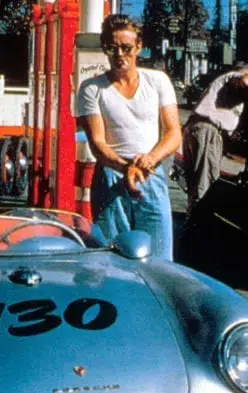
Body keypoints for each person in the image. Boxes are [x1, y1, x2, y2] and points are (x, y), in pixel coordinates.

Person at [76, 14, 182, 261]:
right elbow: (98, 144)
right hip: (111, 177)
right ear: (105, 48)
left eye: (126, 48)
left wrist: (150, 159)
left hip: (150, 174)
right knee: (111, 258)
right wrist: (126, 168)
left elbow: (174, 132)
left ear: (139, 47)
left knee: (160, 258)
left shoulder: (158, 81)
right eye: (112, 48)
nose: (119, 55)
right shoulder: (91, 89)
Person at [181, 59, 248, 216]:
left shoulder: (226, 89)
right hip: (207, 130)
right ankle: (201, 223)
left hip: (197, 128)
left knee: (197, 182)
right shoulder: (235, 77)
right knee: (205, 182)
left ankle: (194, 219)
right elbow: (244, 81)